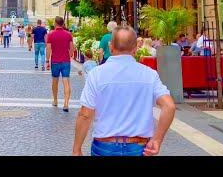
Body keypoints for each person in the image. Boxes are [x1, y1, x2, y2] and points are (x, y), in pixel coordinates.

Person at [73, 27, 176, 156]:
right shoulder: (149, 75)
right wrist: (157, 139)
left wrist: (77, 149)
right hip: (139, 147)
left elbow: (85, 114)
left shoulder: (96, 75)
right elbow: (169, 106)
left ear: (110, 47)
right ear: (135, 48)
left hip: (105, 146)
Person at [46, 16, 75, 112]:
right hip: (66, 61)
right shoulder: (68, 34)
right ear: (62, 24)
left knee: (55, 81)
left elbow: (49, 49)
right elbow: (72, 48)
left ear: (55, 23)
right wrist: (70, 55)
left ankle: (55, 100)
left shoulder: (51, 34)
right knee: (66, 82)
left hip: (55, 61)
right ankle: (66, 104)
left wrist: (47, 60)